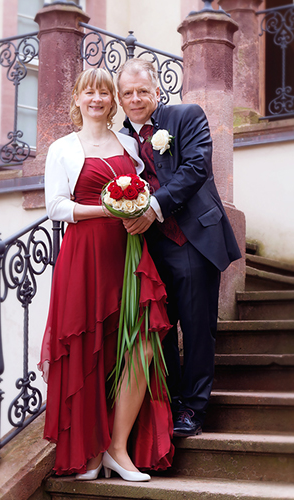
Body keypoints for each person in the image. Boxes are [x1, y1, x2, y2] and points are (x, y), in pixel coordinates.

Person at [38, 68, 174, 482]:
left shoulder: (131, 144)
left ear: (112, 101)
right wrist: (109, 209)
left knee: (143, 344)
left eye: (103, 92)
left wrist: (136, 211)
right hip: (84, 255)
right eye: (89, 92)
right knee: (88, 347)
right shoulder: (62, 148)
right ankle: (90, 452)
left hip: (128, 251)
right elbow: (56, 207)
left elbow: (148, 187)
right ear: (77, 99)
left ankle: (118, 448)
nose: (96, 98)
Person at [116, 59, 241, 437]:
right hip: (147, 248)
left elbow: (195, 168)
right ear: (119, 98)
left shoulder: (186, 116)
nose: (136, 98)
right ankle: (168, 405)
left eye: (142, 91)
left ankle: (194, 409)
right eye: (128, 93)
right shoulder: (117, 138)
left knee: (198, 327)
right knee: (161, 329)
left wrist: (153, 208)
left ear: (157, 90)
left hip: (192, 239)